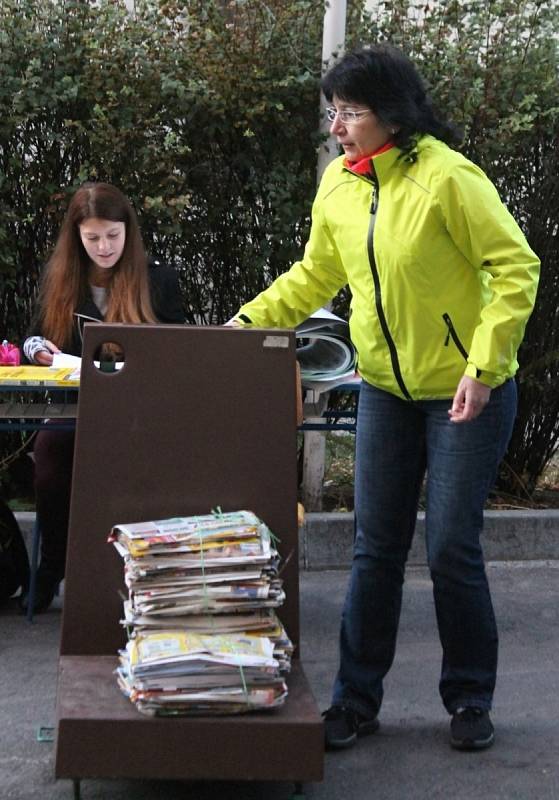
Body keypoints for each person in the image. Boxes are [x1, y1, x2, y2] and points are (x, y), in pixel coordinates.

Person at [230, 45, 540, 751]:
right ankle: (354, 701)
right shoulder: (340, 184)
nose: (336, 127)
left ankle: (468, 699)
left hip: (464, 392)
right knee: (374, 548)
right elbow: (314, 275)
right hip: (383, 392)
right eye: (332, 112)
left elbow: (514, 266)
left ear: (391, 115)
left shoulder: (448, 178)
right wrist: (243, 326)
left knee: (451, 547)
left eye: (350, 112)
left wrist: (484, 366)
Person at [21, 182, 185, 613]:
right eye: (92, 238)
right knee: (50, 452)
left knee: (138, 459)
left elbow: (183, 348)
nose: (104, 247)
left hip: (139, 411)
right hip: (76, 406)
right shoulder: (62, 281)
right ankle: (53, 566)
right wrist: (38, 349)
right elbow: (35, 335)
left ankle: (141, 572)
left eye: (112, 235)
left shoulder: (159, 281)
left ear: (128, 232)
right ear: (76, 237)